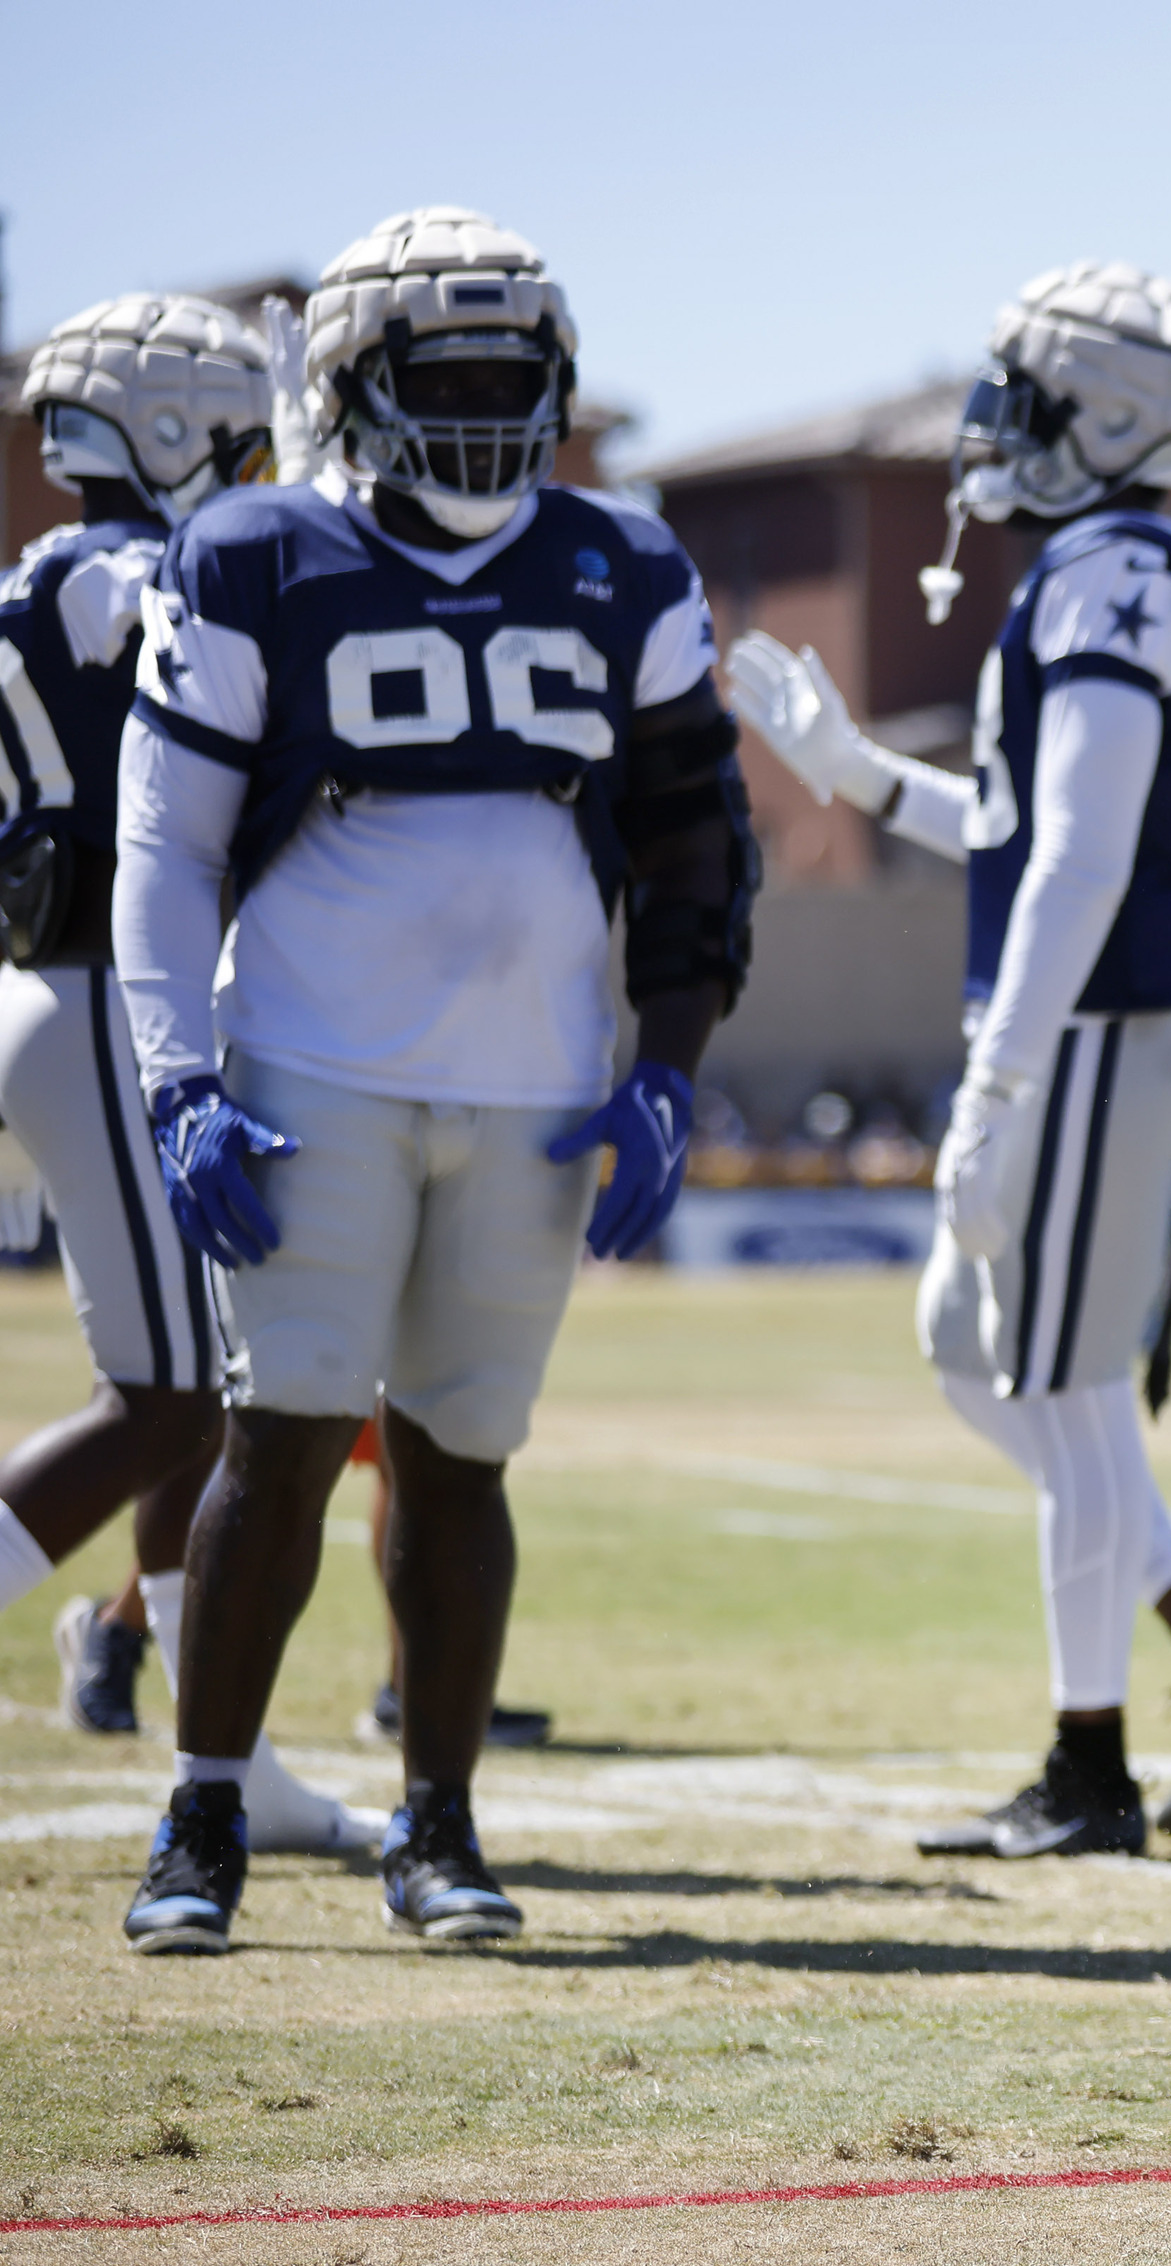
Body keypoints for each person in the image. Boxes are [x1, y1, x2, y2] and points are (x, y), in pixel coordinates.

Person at [109, 206, 757, 1951]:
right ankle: (205, 1816)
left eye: (508, 374)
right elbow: (162, 846)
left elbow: (701, 843)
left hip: (536, 1085)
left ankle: (440, 1823)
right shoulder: (254, 550)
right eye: (441, 372)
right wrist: (178, 1078)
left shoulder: (625, 561)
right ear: (350, 386)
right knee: (287, 1432)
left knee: (463, 1453)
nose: (479, 407)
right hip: (311, 1060)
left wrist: (668, 1070)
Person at [727, 262, 1171, 1859]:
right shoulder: (1127, 566)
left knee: (1060, 1392)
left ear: (1108, 416)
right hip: (1107, 1022)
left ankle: (1091, 1767)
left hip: (1096, 1030)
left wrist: (997, 1082)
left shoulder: (1112, 573)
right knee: (979, 1358)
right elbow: (1030, 833)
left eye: (1033, 396)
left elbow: (1074, 859)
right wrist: (858, 776)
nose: (999, 427)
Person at [2, 294, 376, 1856]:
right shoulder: (100, 574)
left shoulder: (70, 569)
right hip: (93, 986)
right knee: (160, 1403)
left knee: (203, 1400)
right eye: (234, 442)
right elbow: (233, 613)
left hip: (82, 988)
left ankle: (218, 1755)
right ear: (164, 437)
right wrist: (320, 490)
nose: (253, 470)